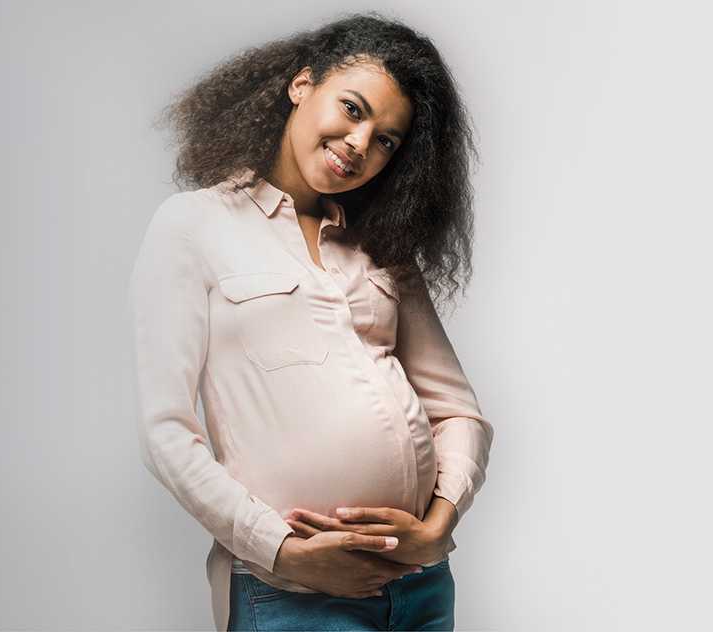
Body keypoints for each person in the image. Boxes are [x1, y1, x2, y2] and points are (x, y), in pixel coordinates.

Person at [129, 12, 493, 631]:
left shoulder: (381, 245)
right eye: (352, 109)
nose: (360, 143)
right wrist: (282, 550)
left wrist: (438, 526)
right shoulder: (192, 226)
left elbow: (459, 412)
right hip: (296, 599)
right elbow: (167, 434)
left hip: (421, 591)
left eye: (386, 140)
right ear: (303, 85)